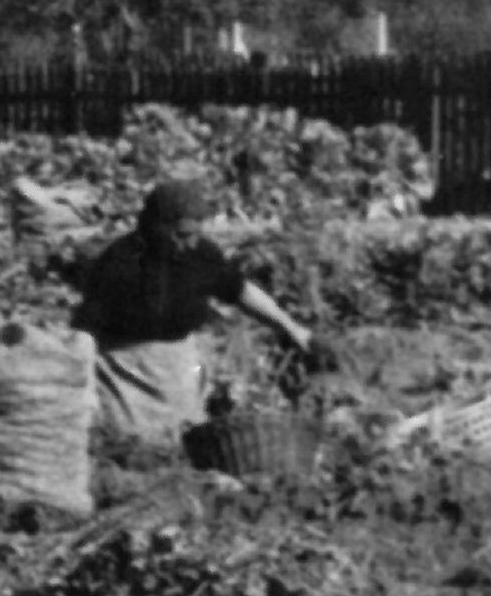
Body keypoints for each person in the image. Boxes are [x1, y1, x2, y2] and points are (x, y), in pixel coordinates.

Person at [72, 178, 322, 445]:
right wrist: (83, 385)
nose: (191, 243)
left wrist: (292, 328)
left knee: (185, 436)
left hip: (179, 366)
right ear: (156, 227)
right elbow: (85, 331)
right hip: (126, 369)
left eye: (195, 234)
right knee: (131, 439)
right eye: (182, 235)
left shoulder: (203, 255)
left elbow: (239, 291)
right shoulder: (119, 262)